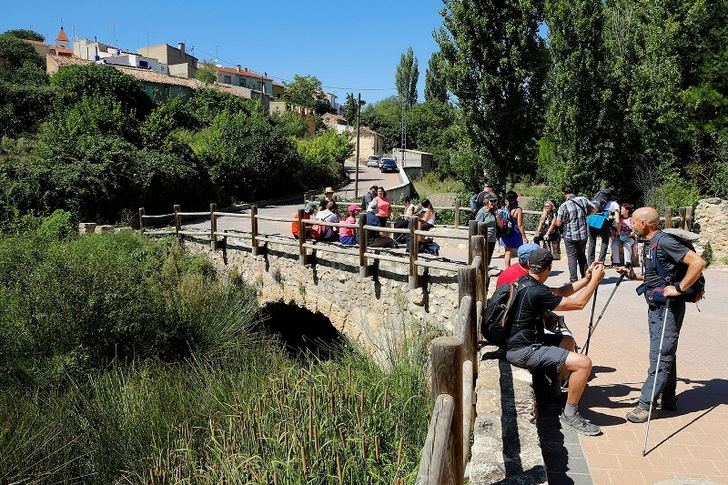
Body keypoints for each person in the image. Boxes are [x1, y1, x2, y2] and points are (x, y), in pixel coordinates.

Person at [615, 207, 706, 423]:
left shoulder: (664, 241)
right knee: (666, 350)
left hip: (668, 307)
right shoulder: (650, 243)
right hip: (657, 306)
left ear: (644, 223)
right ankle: (668, 398)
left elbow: (698, 263)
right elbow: (657, 277)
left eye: (634, 222)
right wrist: (631, 275)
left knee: (661, 354)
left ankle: (646, 405)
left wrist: (680, 288)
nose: (631, 225)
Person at [505, 248, 605, 435]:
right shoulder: (536, 291)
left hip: (521, 342)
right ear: (548, 268)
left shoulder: (526, 282)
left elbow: (560, 291)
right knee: (584, 364)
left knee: (567, 341)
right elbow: (578, 304)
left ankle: (555, 391)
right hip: (524, 349)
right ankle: (570, 414)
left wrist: (586, 278)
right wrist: (595, 281)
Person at [553, 187, 595, 283]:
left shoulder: (563, 206)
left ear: (564, 193)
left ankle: (573, 280)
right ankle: (585, 277)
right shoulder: (583, 200)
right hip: (583, 234)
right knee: (581, 255)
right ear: (573, 192)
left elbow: (558, 224)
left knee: (572, 257)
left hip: (570, 235)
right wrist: (587, 215)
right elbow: (595, 208)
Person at [587, 189, 618, 265]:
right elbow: (617, 219)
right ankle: (601, 261)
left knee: (592, 241)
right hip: (603, 222)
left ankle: (590, 262)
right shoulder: (613, 203)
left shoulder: (595, 201)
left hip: (592, 220)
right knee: (605, 241)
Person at [499, 191, 528, 268]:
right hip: (515, 232)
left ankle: (507, 270)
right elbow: (520, 224)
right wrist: (524, 236)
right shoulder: (518, 210)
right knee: (521, 251)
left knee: (507, 252)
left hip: (505, 232)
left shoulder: (504, 208)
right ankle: (522, 268)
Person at [476, 194, 498, 267]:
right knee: (483, 257)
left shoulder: (493, 212)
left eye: (494, 201)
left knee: (488, 257)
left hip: (492, 238)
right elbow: (477, 225)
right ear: (486, 202)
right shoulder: (482, 212)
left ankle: (486, 272)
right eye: (491, 201)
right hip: (485, 238)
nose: (493, 203)